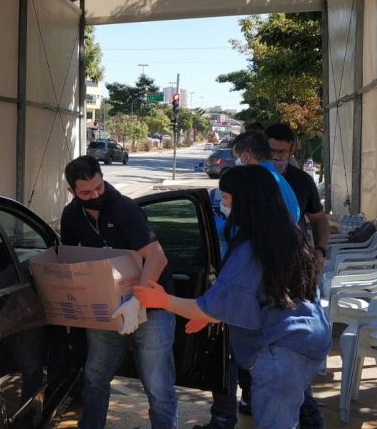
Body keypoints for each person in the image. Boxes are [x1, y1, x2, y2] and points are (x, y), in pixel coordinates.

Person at [133, 165, 331, 429]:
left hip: (281, 352)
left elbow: (214, 306)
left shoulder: (250, 248)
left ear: (245, 201)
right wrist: (212, 313)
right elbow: (256, 296)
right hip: (309, 339)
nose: (223, 204)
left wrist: (161, 300)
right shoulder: (288, 235)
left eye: (226, 197)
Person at [60, 155, 177, 429]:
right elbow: (70, 260)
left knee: (158, 386)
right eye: (86, 193)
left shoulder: (124, 209)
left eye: (99, 187)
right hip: (107, 308)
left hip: (152, 306)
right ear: (71, 191)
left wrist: (137, 301)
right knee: (94, 375)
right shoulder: (71, 215)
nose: (95, 195)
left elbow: (157, 258)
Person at [265, 123, 331, 264]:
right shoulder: (252, 178)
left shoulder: (302, 181)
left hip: (294, 260)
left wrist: (320, 251)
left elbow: (318, 218)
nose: (276, 157)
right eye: (271, 151)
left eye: (282, 152)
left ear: (292, 150)